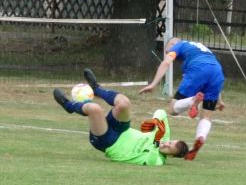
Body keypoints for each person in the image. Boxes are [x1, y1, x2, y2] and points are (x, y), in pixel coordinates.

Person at [53, 68, 189, 166]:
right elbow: (161, 112)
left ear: (171, 155)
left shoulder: (157, 160)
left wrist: (158, 134)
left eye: (168, 148)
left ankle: (69, 106)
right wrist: (156, 122)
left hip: (109, 143)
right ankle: (96, 88)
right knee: (124, 103)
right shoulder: (164, 137)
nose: (166, 144)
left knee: (95, 109)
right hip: (123, 130)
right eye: (170, 142)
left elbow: (154, 150)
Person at [139, 37, 225, 161]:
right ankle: (200, 137)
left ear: (172, 44)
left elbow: (166, 63)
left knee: (172, 109)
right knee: (206, 116)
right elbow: (211, 70)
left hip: (198, 70)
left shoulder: (178, 45)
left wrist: (153, 83)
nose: (167, 53)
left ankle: (193, 101)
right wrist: (219, 100)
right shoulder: (201, 49)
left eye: (167, 50)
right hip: (217, 73)